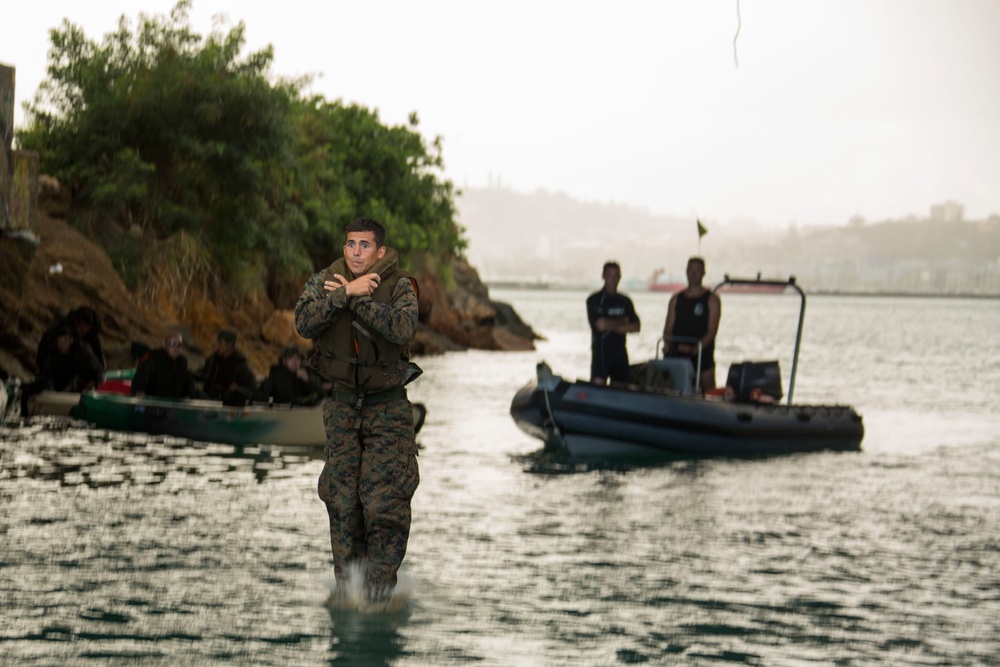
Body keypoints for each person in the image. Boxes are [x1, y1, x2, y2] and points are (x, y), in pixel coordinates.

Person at [294, 216, 421, 603]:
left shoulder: (400, 285)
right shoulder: (328, 281)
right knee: (342, 503)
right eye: (350, 245)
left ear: (380, 251)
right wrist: (345, 293)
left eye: (365, 246)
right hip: (343, 410)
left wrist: (362, 300)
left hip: (388, 410)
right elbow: (303, 321)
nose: (356, 252)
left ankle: (379, 596)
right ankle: (349, 592)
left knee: (385, 504)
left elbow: (402, 329)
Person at [662, 256, 722, 392]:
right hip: (677, 354)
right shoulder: (676, 299)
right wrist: (671, 345)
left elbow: (712, 331)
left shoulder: (712, 300)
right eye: (691, 270)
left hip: (702, 355)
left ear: (703, 273)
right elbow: (668, 328)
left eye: (698, 271)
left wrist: (695, 350)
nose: (693, 274)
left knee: (709, 393)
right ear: (686, 272)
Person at [20, 323, 103, 416]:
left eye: (65, 341)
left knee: (75, 380)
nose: (62, 345)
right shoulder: (54, 353)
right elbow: (47, 373)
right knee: (41, 384)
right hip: (61, 382)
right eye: (59, 342)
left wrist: (95, 385)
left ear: (71, 340)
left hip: (80, 384)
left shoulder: (83, 351)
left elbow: (98, 372)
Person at [586, 261, 641, 386]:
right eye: (610, 275)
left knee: (620, 390)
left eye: (616, 275)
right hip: (601, 353)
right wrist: (622, 321)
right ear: (603, 276)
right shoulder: (594, 300)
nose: (613, 279)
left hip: (620, 353)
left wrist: (610, 325)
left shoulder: (625, 301)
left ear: (620, 277)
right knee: (597, 388)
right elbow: (600, 325)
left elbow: (636, 327)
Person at [36, 306, 106, 384]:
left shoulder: (92, 338)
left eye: (86, 329)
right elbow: (44, 345)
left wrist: (98, 377)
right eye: (81, 329)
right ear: (77, 322)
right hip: (58, 360)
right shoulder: (61, 327)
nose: (84, 331)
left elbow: (99, 358)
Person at [131, 331, 199, 399]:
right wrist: (138, 391)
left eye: (179, 345)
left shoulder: (182, 363)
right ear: (164, 344)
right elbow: (140, 378)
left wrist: (189, 395)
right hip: (153, 403)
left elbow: (188, 385)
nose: (176, 348)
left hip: (174, 404)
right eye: (172, 344)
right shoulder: (153, 359)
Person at [196, 329, 257, 404]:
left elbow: (253, 391)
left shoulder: (240, 366)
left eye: (220, 343)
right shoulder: (213, 360)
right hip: (207, 399)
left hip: (226, 404)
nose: (217, 346)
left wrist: (238, 389)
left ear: (230, 345)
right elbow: (205, 373)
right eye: (217, 342)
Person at [255, 345, 324, 406]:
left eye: (298, 358)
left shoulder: (305, 372)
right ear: (284, 360)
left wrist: (308, 379)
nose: (295, 362)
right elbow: (262, 396)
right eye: (291, 358)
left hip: (304, 413)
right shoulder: (276, 373)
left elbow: (321, 393)